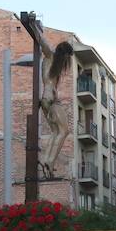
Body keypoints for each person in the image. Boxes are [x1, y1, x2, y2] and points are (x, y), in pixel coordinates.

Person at [37, 34, 75, 177]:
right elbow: (43, 43)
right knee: (64, 131)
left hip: (47, 100)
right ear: (62, 53)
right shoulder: (50, 56)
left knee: (55, 131)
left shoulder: (53, 63)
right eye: (66, 57)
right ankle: (50, 161)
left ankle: (46, 160)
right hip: (50, 99)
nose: (66, 61)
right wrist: (34, 25)